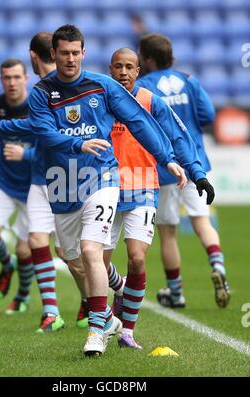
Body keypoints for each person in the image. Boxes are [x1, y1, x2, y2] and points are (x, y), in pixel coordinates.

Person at [0, 25, 187, 357]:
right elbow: (45, 134)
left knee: (91, 249)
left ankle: (96, 329)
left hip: (103, 177)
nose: (69, 59)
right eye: (63, 53)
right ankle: (110, 311)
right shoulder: (41, 93)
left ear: (84, 52)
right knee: (71, 257)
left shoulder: (103, 85)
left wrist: (167, 158)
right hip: (62, 183)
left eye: (75, 52)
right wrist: (79, 143)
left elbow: (138, 120)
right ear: (53, 54)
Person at [102, 47, 215, 349]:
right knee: (97, 265)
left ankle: (127, 333)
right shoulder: (97, 100)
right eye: (118, 67)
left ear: (139, 72)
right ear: (110, 69)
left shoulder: (152, 101)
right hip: (105, 189)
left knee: (137, 258)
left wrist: (197, 172)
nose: (123, 72)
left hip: (143, 188)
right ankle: (119, 287)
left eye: (129, 67)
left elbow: (179, 138)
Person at [137, 33, 230, 308]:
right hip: (195, 163)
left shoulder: (144, 86)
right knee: (202, 220)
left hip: (165, 167)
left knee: (168, 232)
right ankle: (218, 266)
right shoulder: (188, 80)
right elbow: (209, 116)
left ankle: (176, 292)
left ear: (149, 59)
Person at [1, 33, 68, 332]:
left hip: (68, 178)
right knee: (36, 241)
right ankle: (51, 312)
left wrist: (24, 152)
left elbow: (56, 136)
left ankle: (109, 296)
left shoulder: (62, 87)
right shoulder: (40, 90)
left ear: (32, 56)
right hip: (42, 178)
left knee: (73, 254)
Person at [0, 59, 35, 309]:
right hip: (4, 180)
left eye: (16, 77)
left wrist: (26, 154)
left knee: (26, 252)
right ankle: (6, 264)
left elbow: (50, 145)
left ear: (26, 78)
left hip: (33, 187)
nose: (11, 83)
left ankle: (22, 296)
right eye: (6, 78)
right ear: (1, 80)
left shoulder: (37, 105)